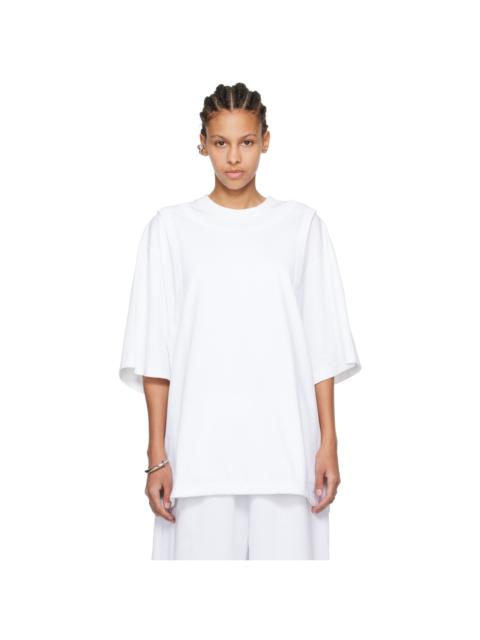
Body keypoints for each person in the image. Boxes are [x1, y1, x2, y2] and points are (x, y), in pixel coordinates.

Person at [119, 82, 362, 560]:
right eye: (221, 142)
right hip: (198, 455)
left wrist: (329, 443)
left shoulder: (301, 227)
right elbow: (156, 352)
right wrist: (156, 455)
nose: (234, 157)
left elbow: (322, 346)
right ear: (203, 144)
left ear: (265, 141)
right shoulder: (170, 230)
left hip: (287, 453)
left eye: (246, 142)